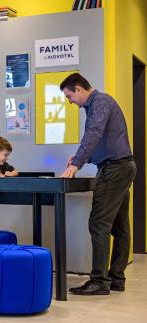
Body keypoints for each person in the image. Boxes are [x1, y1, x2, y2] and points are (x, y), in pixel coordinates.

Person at [60, 73, 136, 296]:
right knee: (120, 226)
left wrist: (76, 166)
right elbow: (102, 142)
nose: (70, 102)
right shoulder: (99, 105)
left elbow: (93, 134)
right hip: (122, 166)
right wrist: (77, 158)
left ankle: (99, 281)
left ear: (78, 89)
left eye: (69, 96)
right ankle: (116, 279)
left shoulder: (100, 102)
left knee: (99, 223)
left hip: (115, 169)